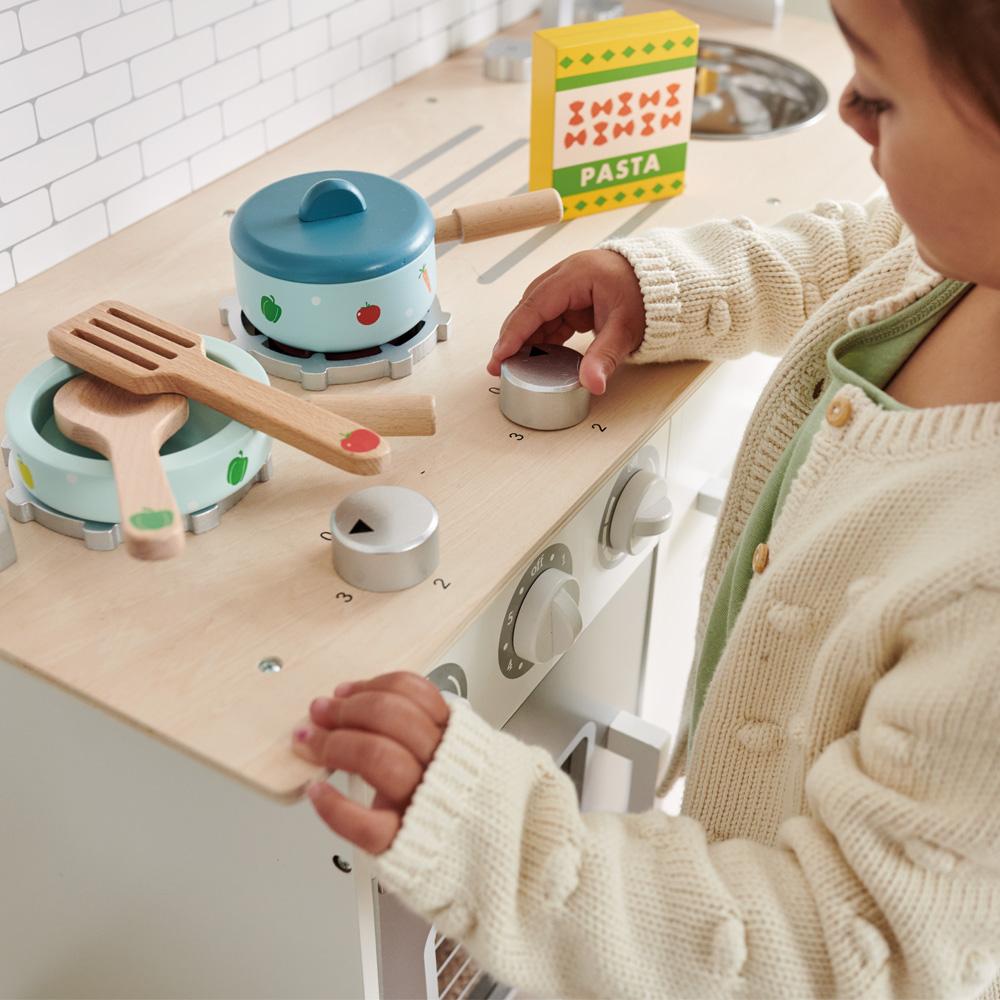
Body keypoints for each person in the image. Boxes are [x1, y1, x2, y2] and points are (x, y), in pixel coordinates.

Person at [292, 0, 1000, 994]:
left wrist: (495, 835)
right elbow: (868, 246)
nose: (847, 109)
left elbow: (838, 954)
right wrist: (658, 283)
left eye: (880, 94)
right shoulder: (967, 255)